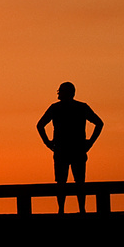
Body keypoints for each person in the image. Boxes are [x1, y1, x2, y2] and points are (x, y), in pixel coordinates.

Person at [36, 82, 104, 213]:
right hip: (74, 149)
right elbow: (99, 123)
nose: (60, 94)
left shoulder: (57, 108)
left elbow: (40, 125)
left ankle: (63, 210)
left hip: (64, 149)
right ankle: (78, 210)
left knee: (65, 183)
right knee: (77, 182)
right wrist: (89, 142)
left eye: (61, 91)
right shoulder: (80, 107)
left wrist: (48, 143)